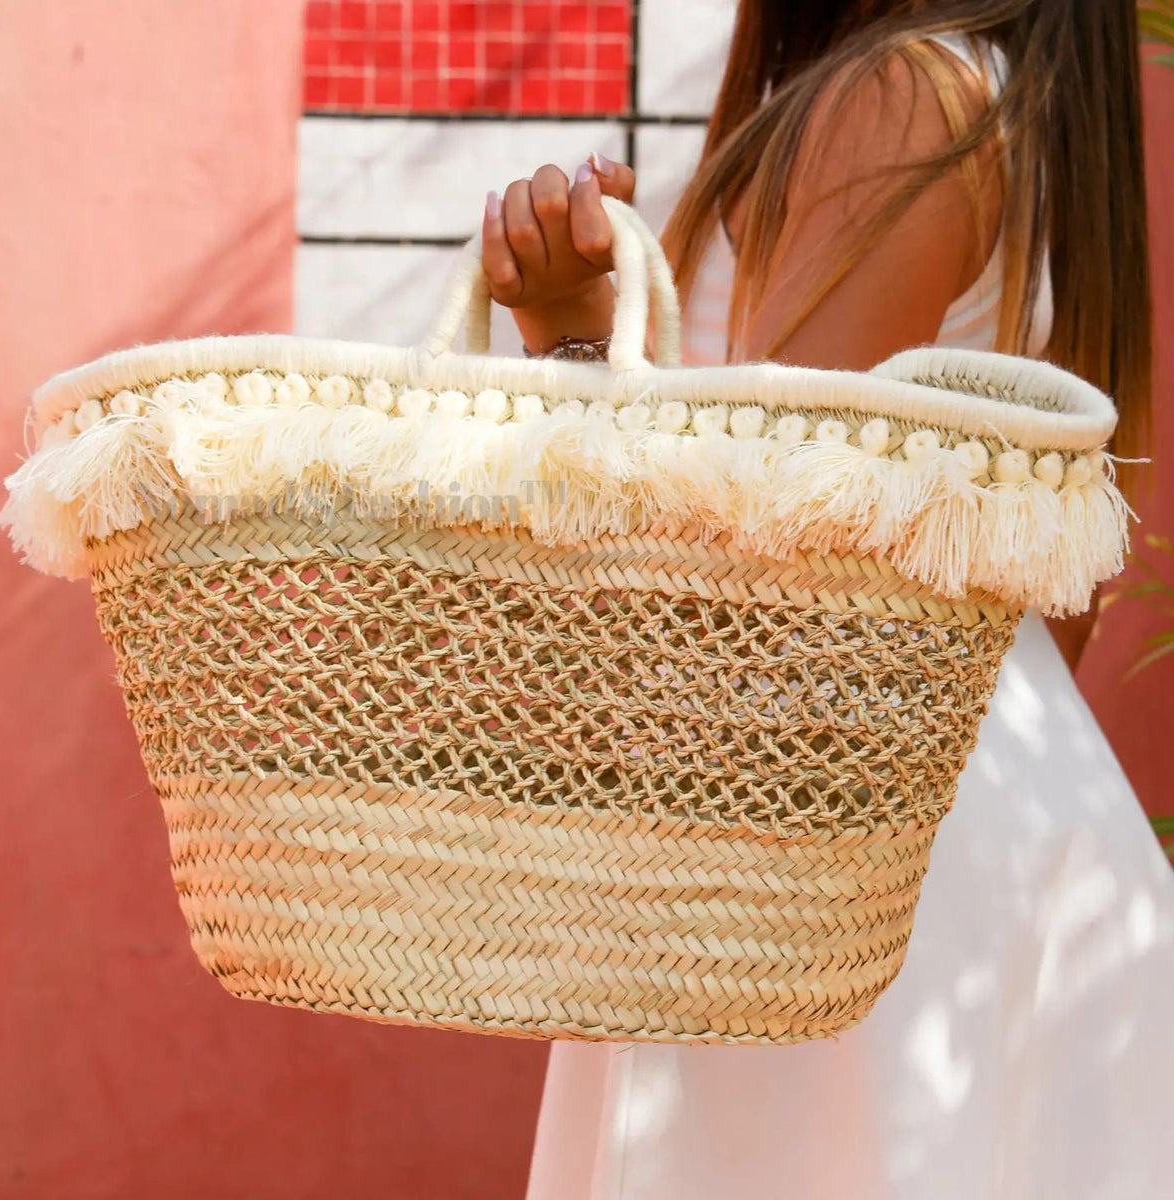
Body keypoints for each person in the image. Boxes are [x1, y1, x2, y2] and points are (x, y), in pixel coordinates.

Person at [480, 4, 1174, 1198]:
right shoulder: (1025, 109)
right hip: (989, 813)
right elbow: (1056, 596)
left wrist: (574, 342)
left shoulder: (900, 101)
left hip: (820, 846)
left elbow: (757, 571)